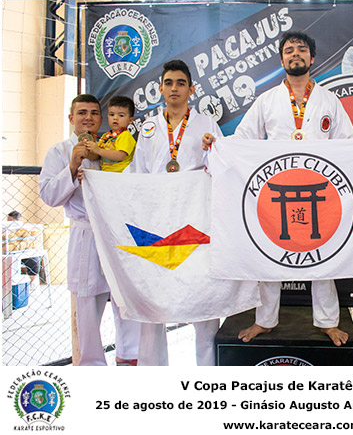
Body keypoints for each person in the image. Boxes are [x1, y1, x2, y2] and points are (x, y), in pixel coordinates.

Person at [203, 31, 353, 347]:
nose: (295, 54)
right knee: (269, 255)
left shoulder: (329, 100)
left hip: (321, 190)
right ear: (281, 60)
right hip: (275, 190)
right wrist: (217, 145)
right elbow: (244, 138)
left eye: (301, 49)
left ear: (312, 58)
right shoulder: (267, 100)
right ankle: (264, 320)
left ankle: (328, 322)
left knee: (323, 255)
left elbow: (347, 143)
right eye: (289, 50)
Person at [126, 59, 224, 366]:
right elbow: (138, 172)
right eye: (168, 83)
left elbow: (221, 168)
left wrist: (213, 150)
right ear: (160, 89)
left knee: (202, 294)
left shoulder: (206, 124)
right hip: (158, 218)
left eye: (181, 83)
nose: (174, 89)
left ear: (191, 90)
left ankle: (207, 368)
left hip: (195, 218)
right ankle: (153, 370)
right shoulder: (149, 127)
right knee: (154, 297)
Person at [39, 94, 140, 366]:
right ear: (71, 118)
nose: (88, 118)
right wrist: (72, 167)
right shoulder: (59, 151)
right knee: (86, 304)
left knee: (126, 297)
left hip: (118, 232)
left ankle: (130, 358)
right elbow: (48, 195)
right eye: (82, 112)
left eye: (94, 113)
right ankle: (91, 365)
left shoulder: (110, 146)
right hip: (85, 234)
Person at [84, 96, 136, 172]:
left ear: (130, 120)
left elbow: (121, 155)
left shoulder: (126, 135)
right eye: (111, 114)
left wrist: (98, 150)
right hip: (106, 174)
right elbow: (97, 156)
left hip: (122, 174)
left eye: (121, 115)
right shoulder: (106, 136)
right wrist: (87, 150)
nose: (115, 118)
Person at [6, 210, 42, 284]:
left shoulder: (26, 229)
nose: (9, 223)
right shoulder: (5, 229)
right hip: (9, 252)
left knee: (34, 262)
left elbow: (30, 242)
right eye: (8, 220)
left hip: (24, 251)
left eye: (12, 220)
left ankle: (29, 284)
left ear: (19, 220)